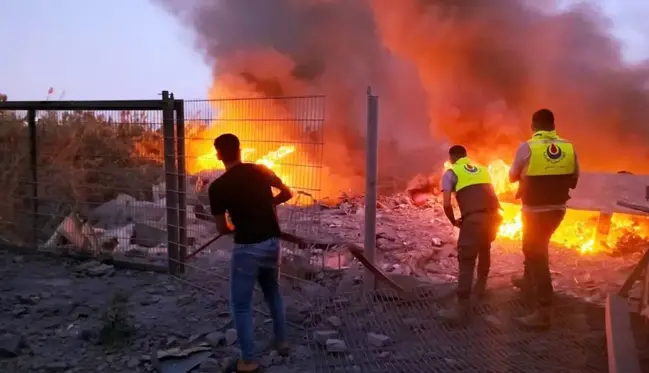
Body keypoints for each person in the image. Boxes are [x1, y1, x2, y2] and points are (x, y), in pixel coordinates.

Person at [208, 133, 293, 373]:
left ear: (218, 155)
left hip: (247, 248)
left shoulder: (218, 187)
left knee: (241, 305)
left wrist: (236, 224)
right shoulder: (260, 170)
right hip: (272, 242)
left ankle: (248, 361)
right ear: (240, 149)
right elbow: (288, 193)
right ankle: (282, 342)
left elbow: (222, 228)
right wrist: (268, 206)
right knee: (273, 292)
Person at [509, 108, 579, 329]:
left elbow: (511, 176)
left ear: (533, 126)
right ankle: (528, 280)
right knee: (532, 247)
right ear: (553, 125)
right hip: (557, 210)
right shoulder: (568, 147)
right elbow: (575, 178)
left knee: (537, 253)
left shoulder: (527, 147)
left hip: (534, 210)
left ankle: (543, 311)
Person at [438, 145, 502, 324]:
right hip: (494, 216)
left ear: (451, 158)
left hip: (473, 219)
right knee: (485, 247)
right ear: (466, 156)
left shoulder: (451, 173)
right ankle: (481, 289)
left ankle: (461, 308)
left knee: (466, 259)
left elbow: (447, 204)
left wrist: (454, 221)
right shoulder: (482, 169)